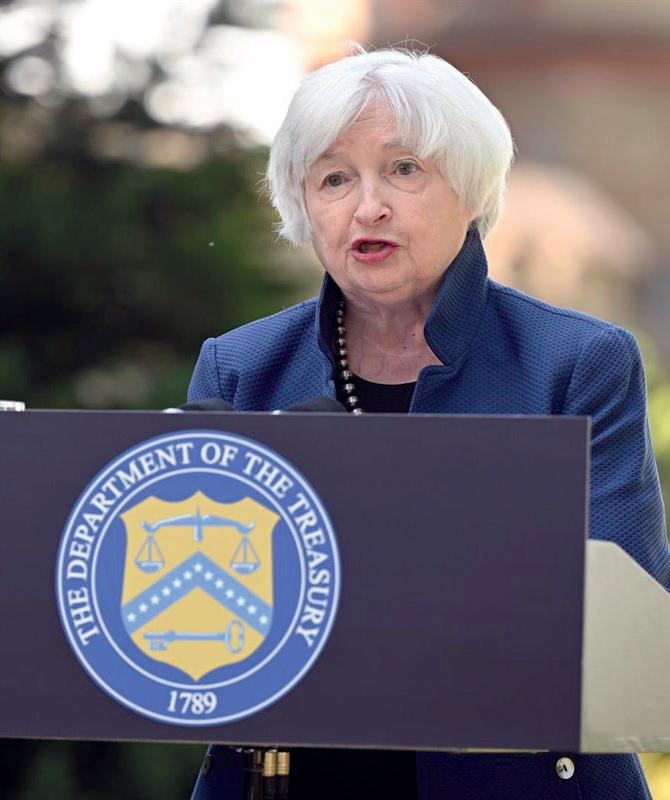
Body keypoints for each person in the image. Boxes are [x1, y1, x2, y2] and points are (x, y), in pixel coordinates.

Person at [188, 45, 669, 800]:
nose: (367, 207)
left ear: (469, 188)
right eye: (334, 178)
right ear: (303, 205)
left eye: (404, 169)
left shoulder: (577, 363)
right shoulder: (239, 368)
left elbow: (622, 610)